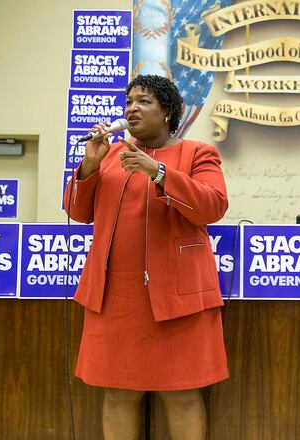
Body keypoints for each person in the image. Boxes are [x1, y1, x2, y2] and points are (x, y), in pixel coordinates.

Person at [63, 74, 228, 440]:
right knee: (118, 393)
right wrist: (89, 165)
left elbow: (213, 206)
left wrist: (160, 172)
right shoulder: (109, 155)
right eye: (129, 102)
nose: (131, 109)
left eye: (143, 101)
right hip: (115, 299)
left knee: (182, 394)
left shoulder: (197, 153)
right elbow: (76, 211)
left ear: (167, 112)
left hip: (178, 302)